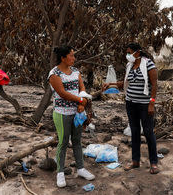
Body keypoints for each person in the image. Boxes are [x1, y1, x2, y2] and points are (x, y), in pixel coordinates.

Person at [102, 43, 160, 174]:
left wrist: (152, 103)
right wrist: (110, 83)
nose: (127, 55)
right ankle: (135, 161)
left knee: (148, 132)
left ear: (137, 53)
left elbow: (155, 84)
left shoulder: (149, 64)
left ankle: (154, 163)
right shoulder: (130, 65)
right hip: (130, 103)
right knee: (134, 132)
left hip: (145, 105)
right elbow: (126, 83)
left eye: (129, 52)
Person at [48, 45, 95, 188]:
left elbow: (82, 88)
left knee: (77, 140)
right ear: (63, 58)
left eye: (74, 56)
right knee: (62, 142)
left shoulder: (75, 71)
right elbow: (62, 93)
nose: (74, 58)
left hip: (77, 113)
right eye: (71, 56)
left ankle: (80, 169)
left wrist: (82, 103)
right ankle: (60, 173)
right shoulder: (54, 74)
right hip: (62, 113)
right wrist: (80, 100)